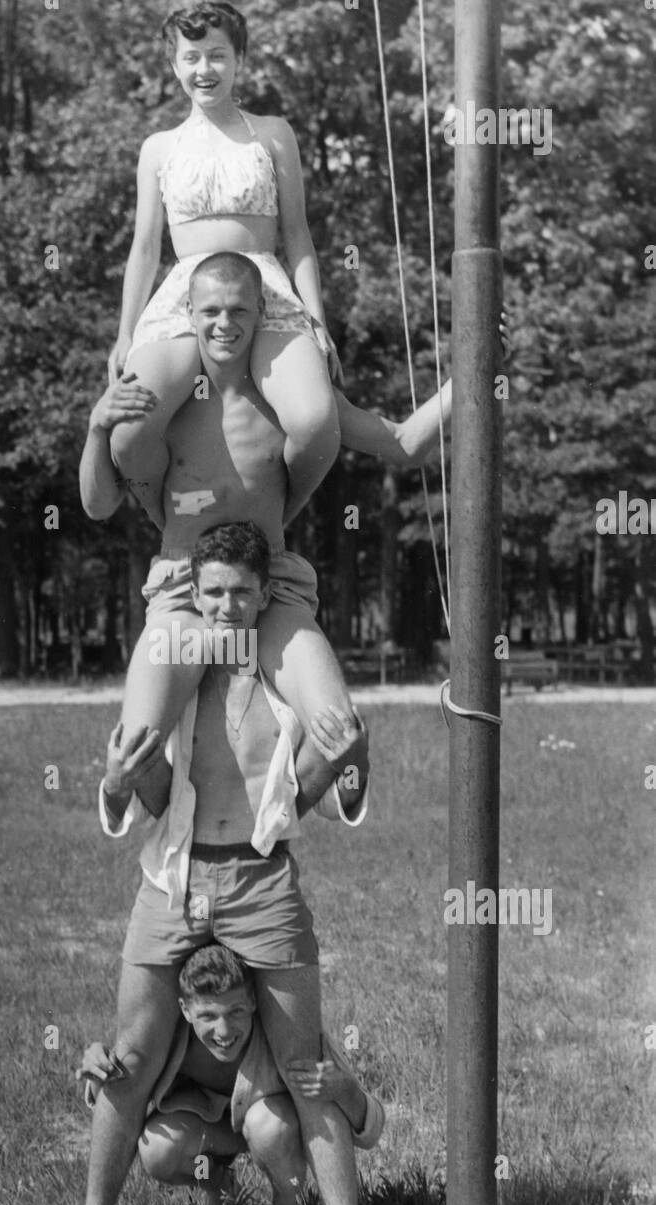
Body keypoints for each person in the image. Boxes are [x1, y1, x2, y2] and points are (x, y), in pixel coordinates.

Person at [52, 521, 374, 1205]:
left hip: (261, 879)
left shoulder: (284, 678)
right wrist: (117, 780)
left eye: (242, 593)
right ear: (193, 595)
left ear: (266, 594)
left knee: (304, 1065)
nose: (228, 607)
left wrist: (348, 757)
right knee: (129, 1056)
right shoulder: (176, 675)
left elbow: (311, 799)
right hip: (175, 874)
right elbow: (157, 797)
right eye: (214, 592)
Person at [81, 250, 451, 806]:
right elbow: (97, 505)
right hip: (184, 588)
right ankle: (120, 796)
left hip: (271, 585)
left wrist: (478, 364)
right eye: (209, 312)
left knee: (340, 731)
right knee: (133, 752)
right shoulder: (157, 403)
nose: (224, 326)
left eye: (239, 312)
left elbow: (406, 443)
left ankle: (282, 822)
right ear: (187, 310)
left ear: (262, 313)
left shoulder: (287, 401)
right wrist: (94, 429)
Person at [108, 2, 343, 521]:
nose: (204, 70)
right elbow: (145, 248)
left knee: (315, 422)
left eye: (217, 55)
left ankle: (276, 516)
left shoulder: (273, 133)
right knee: (127, 430)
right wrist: (126, 333)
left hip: (266, 292)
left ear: (239, 59)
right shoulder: (158, 148)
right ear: (174, 65)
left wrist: (318, 321)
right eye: (191, 57)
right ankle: (167, 521)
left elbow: (298, 235)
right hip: (184, 295)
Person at [78, 943, 385, 1205]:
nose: (223, 1030)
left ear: (253, 1000)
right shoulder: (165, 1039)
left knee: (269, 1125)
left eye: (235, 1011)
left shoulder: (287, 1034)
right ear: (185, 1009)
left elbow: (372, 1129)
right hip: (211, 1136)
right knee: (159, 1151)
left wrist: (344, 1089)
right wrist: (100, 1069)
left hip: (275, 1133)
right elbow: (126, 1091)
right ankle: (216, 1183)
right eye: (208, 1015)